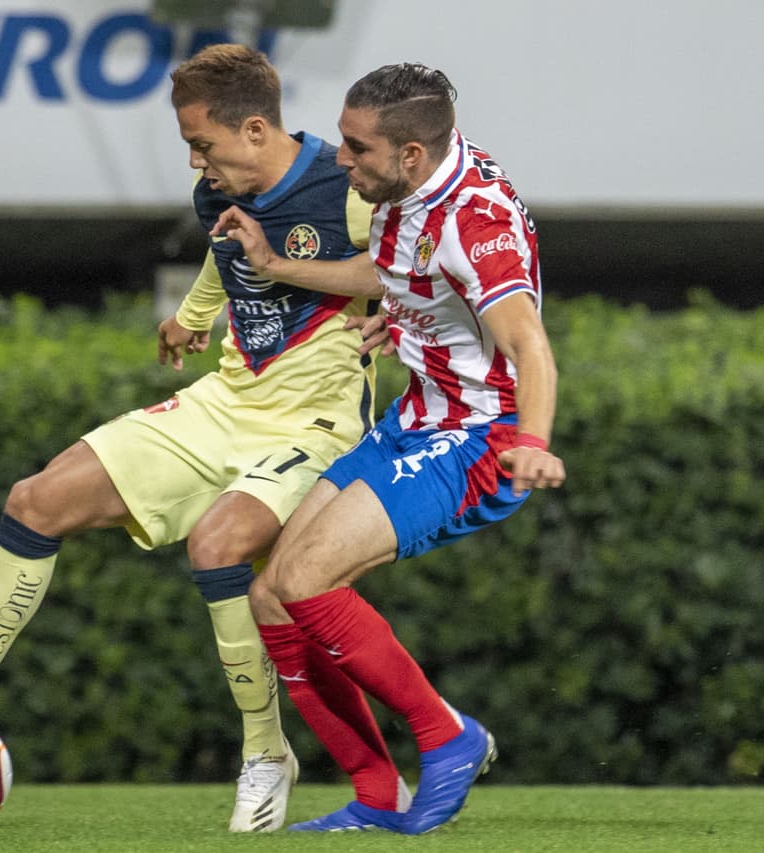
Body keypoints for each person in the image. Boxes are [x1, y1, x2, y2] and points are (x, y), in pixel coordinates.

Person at [0, 44, 385, 831]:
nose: (195, 162)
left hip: (317, 423)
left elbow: (401, 270)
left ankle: (267, 751)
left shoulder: (345, 187)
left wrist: (372, 305)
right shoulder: (217, 190)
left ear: (256, 130)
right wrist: (193, 317)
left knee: (217, 544)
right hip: (224, 403)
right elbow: (226, 251)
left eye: (202, 143)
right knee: (36, 500)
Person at [216, 62, 565, 834]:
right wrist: (291, 270)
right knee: (271, 593)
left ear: (410, 153)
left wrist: (535, 442)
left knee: (306, 579)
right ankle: (377, 792)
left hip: (478, 437)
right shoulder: (416, 181)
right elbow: (395, 269)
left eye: (356, 147)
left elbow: (529, 344)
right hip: (415, 419)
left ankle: (448, 735)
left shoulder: (475, 221)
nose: (340, 158)